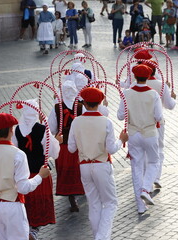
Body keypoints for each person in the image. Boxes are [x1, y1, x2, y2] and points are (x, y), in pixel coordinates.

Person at [0, 113, 51, 240]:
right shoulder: (18, 154)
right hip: (12, 204)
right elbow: (23, 188)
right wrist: (40, 176)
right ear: (12, 130)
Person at [68, 87, 128, 239]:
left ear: (85, 103)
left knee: (94, 204)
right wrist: (121, 140)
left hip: (84, 166)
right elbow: (111, 149)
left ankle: (98, 236)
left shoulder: (76, 122)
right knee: (110, 203)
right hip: (101, 164)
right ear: (100, 103)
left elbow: (71, 148)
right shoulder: (106, 122)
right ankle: (101, 237)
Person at [117, 64, 163, 214]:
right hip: (149, 133)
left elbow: (120, 116)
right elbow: (158, 117)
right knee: (154, 161)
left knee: (136, 168)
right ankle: (146, 188)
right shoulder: (154, 94)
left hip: (133, 133)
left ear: (135, 76)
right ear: (149, 77)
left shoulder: (127, 93)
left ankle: (140, 205)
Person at [12, 99, 61, 240]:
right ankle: (33, 231)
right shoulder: (42, 130)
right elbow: (53, 152)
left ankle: (27, 230)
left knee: (25, 205)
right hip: (40, 173)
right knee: (38, 205)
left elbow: (14, 150)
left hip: (22, 174)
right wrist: (56, 141)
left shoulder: (16, 130)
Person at [48, 81, 85, 212]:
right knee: (79, 171)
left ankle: (71, 197)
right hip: (79, 145)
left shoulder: (56, 108)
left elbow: (51, 128)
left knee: (66, 172)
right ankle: (81, 191)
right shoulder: (81, 107)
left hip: (63, 145)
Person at [143, 60, 176, 188]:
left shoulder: (135, 85)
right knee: (159, 149)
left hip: (142, 123)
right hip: (158, 122)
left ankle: (147, 177)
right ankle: (156, 177)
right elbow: (170, 105)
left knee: (145, 151)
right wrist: (173, 97)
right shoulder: (161, 85)